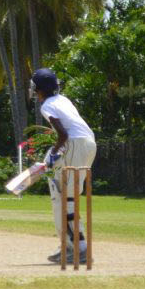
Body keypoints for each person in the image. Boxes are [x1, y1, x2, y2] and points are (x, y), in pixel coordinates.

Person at [32, 68, 96, 263]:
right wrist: (55, 154)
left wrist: (53, 154)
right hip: (89, 143)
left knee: (63, 197)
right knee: (69, 196)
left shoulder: (47, 105)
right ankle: (71, 245)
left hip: (74, 143)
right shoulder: (64, 100)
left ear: (39, 89)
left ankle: (77, 248)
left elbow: (63, 134)